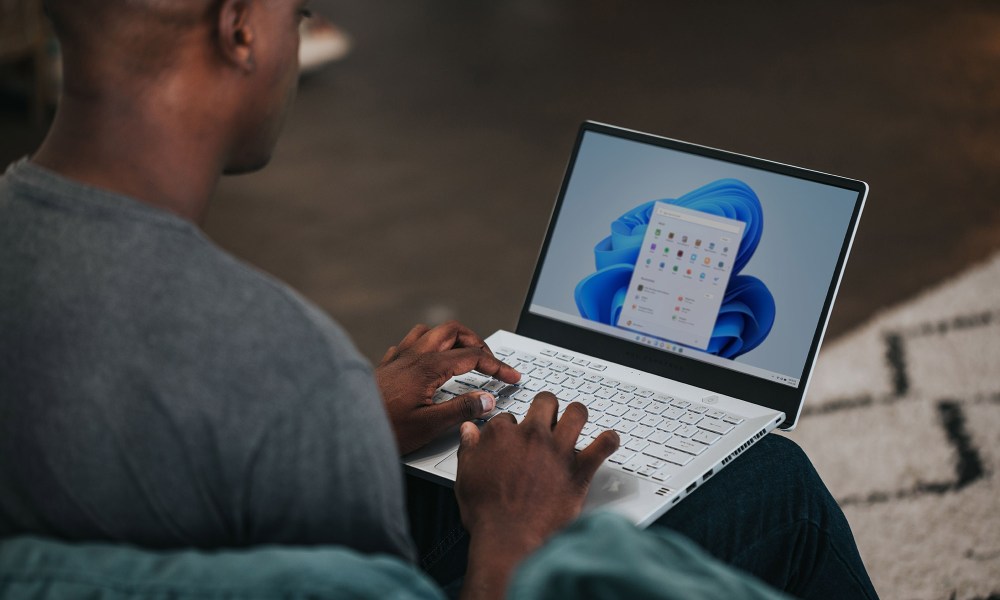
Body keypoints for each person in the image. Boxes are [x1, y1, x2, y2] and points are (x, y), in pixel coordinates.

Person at [0, 1, 879, 598]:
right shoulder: (274, 358)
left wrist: (353, 418)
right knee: (776, 487)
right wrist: (512, 530)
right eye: (296, 13)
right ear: (238, 27)